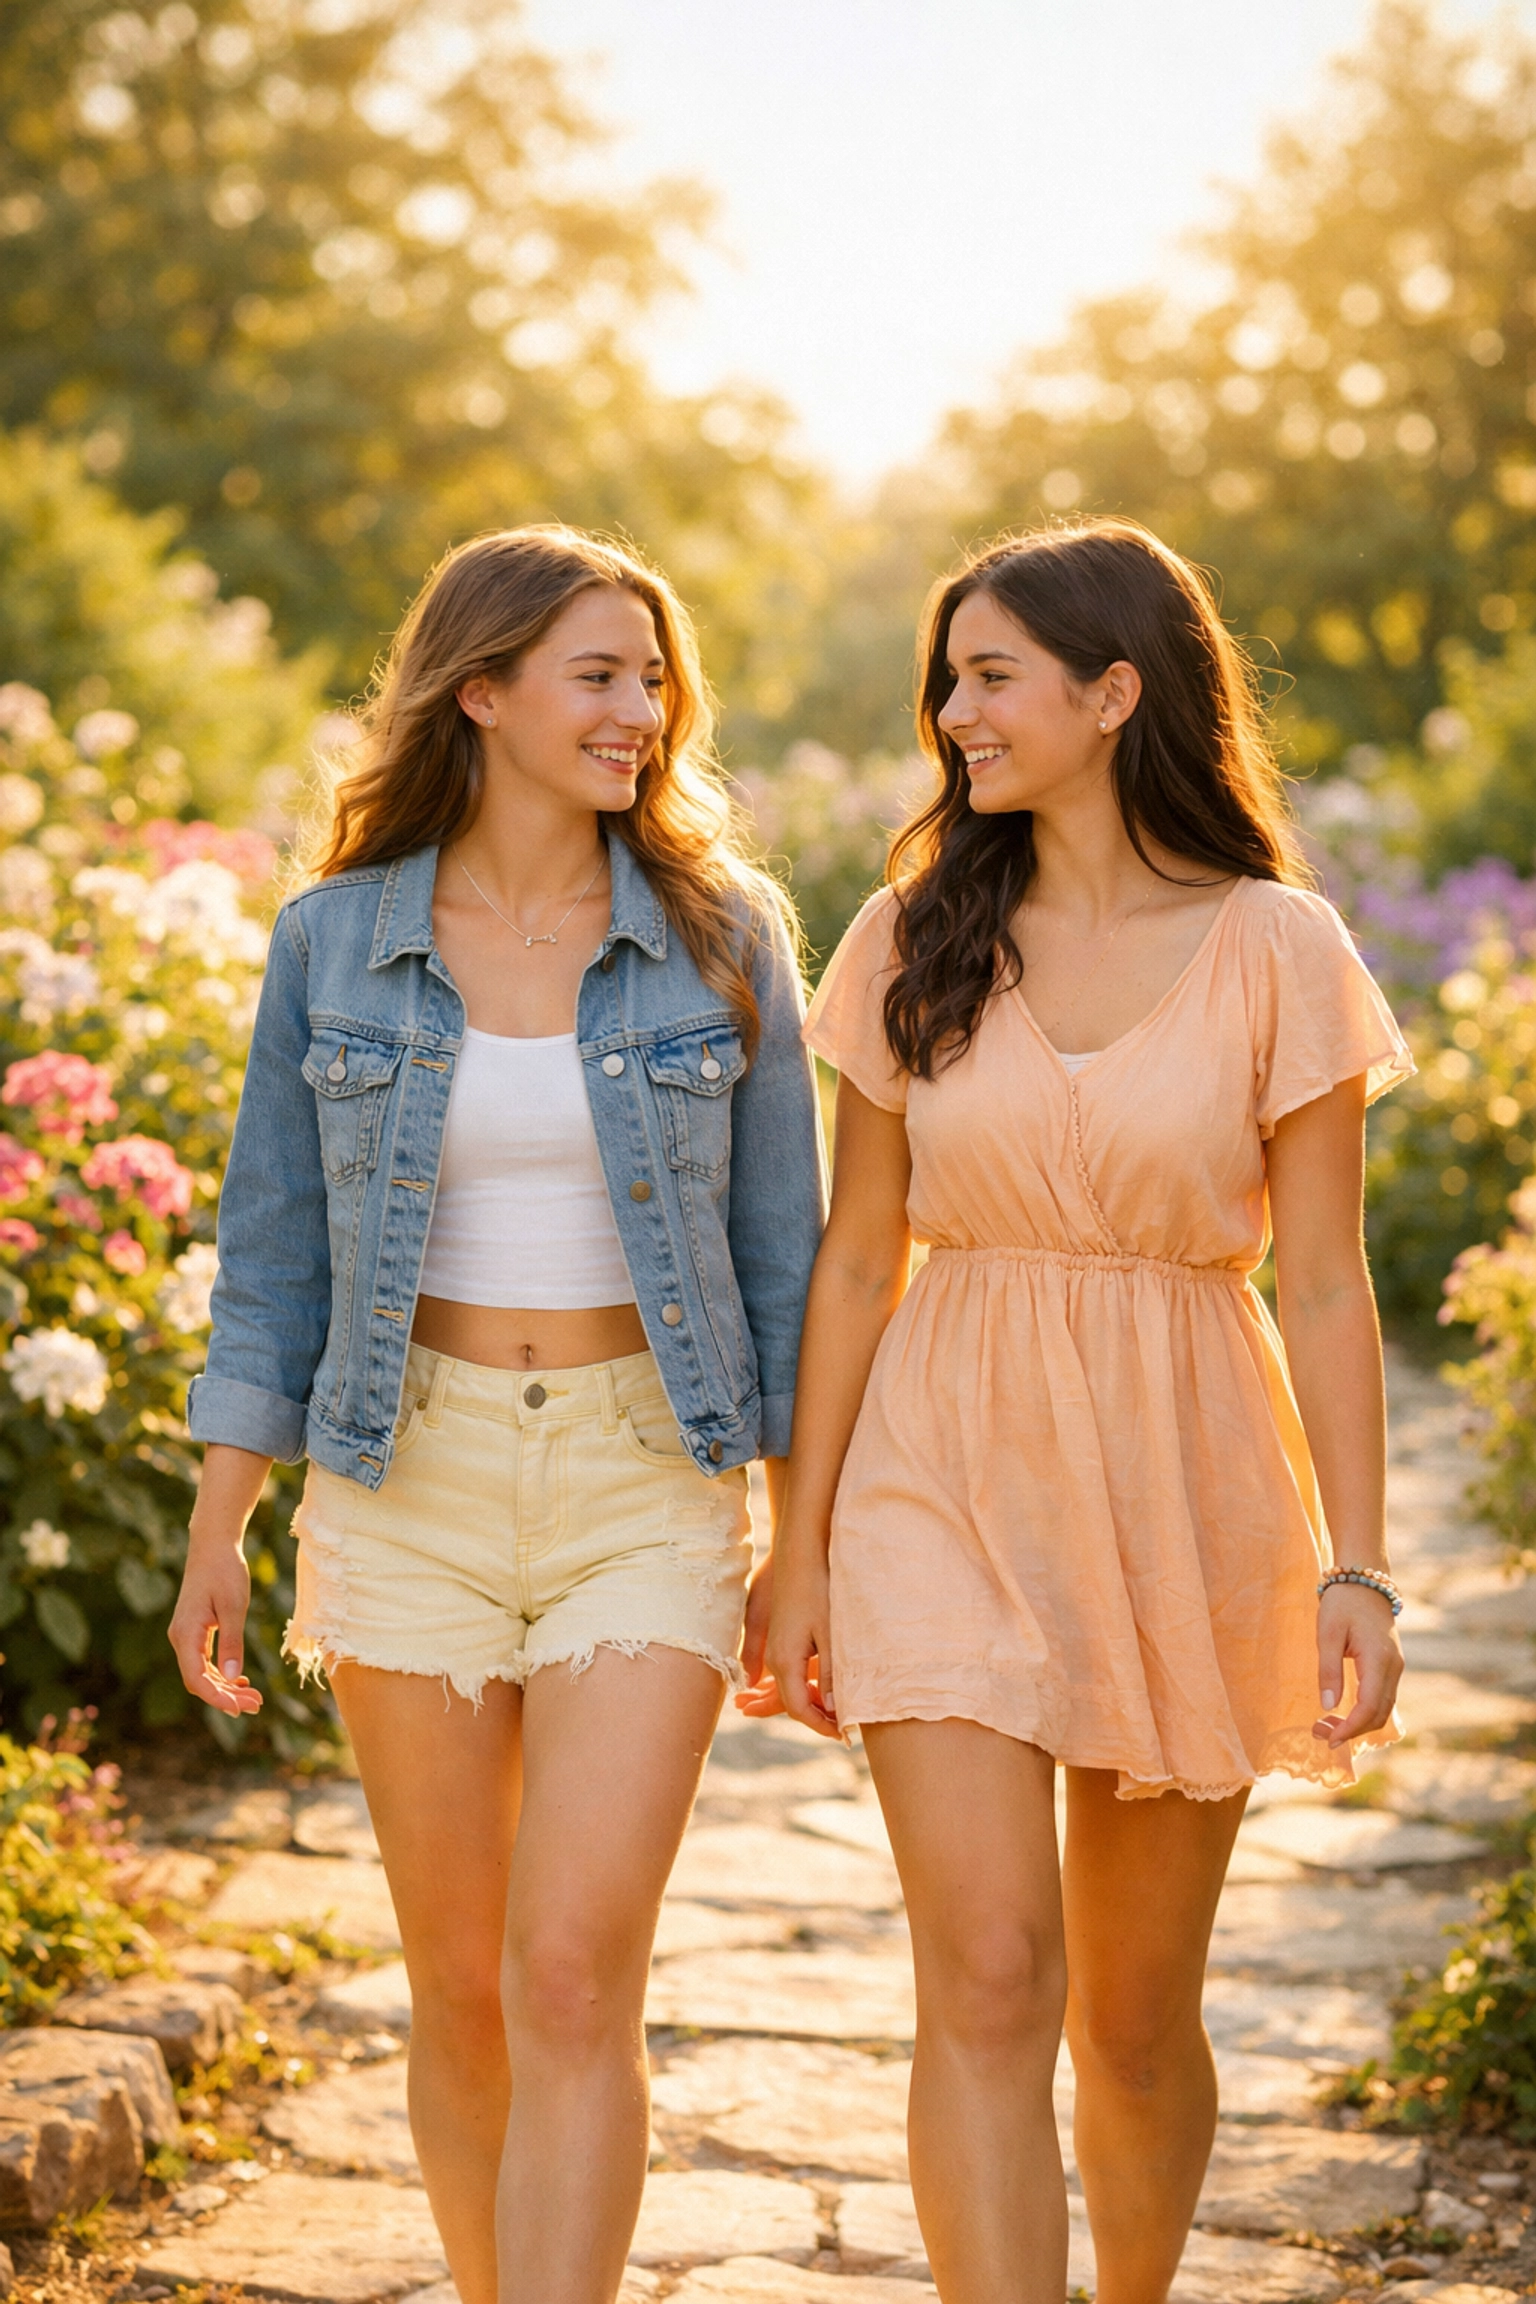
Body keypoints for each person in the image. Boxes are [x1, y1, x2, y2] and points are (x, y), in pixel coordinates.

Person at [749, 519, 1409, 2304]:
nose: (953, 713)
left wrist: (1362, 1572)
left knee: (1131, 2024)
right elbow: (857, 1259)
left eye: (991, 676)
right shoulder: (913, 932)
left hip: (1188, 1476)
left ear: (1115, 692)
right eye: (946, 680)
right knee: (982, 1978)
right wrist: (794, 1547)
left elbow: (1329, 1282)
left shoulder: (1280, 944)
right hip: (940, 1470)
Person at [169, 526, 825, 2304]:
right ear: (484, 690)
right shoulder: (336, 943)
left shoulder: (720, 934)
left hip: (644, 1477)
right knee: (459, 1988)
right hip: (406, 1480)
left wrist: (802, 1541)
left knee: (570, 1975)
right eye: (599, 673)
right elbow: (275, 1257)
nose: (642, 707)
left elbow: (792, 1265)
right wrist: (222, 1522)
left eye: (651, 674)